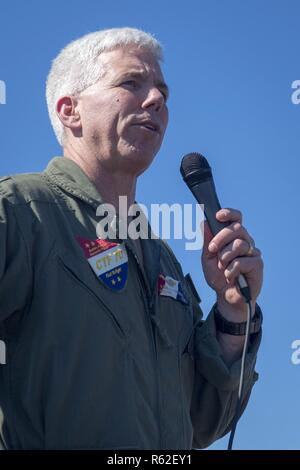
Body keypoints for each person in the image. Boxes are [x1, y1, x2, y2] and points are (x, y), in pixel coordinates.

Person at [0, 27, 263, 450]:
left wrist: (232, 314)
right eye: (130, 83)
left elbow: (199, 424)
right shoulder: (19, 211)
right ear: (70, 110)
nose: (157, 99)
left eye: (162, 91)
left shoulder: (161, 259)